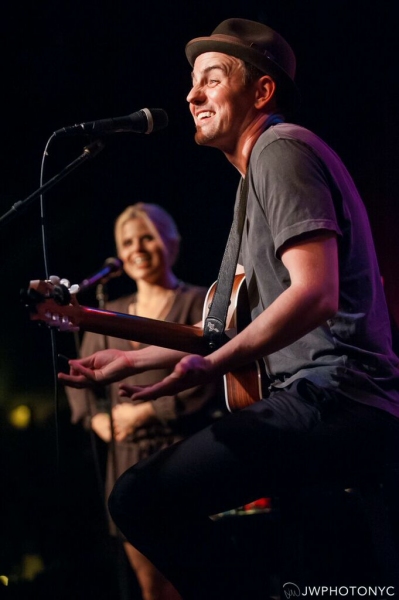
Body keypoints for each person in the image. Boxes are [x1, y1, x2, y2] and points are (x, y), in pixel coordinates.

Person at [59, 19, 399, 599]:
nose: (191, 96)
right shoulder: (253, 180)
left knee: (139, 498)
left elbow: (315, 292)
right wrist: (132, 357)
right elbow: (218, 328)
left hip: (337, 393)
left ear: (261, 92)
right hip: (318, 399)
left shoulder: (280, 149)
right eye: (192, 83)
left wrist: (212, 367)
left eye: (211, 80)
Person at [65, 202, 223, 600]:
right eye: (128, 241)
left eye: (148, 236)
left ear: (172, 242)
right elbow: (82, 381)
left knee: (195, 577)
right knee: (151, 587)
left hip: (185, 448)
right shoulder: (108, 314)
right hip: (127, 459)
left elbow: (211, 371)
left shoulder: (198, 304)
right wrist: (95, 419)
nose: (138, 247)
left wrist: (150, 411)